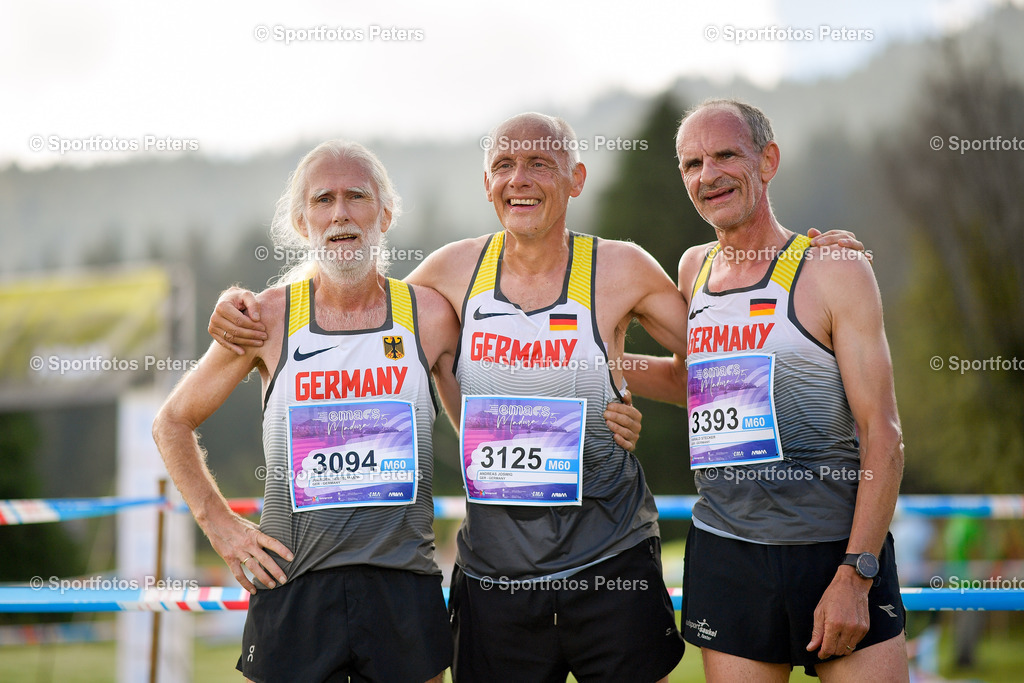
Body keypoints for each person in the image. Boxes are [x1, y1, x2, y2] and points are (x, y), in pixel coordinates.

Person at [210, 113, 861, 682]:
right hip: (497, 580)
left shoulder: (623, 267)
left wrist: (801, 258)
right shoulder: (448, 273)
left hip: (612, 567)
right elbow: (355, 300)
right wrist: (244, 306)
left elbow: (721, 350)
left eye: (540, 163)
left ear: (575, 179)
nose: (520, 178)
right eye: (504, 164)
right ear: (487, 184)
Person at [152, 140, 460, 682]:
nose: (340, 213)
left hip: (401, 586)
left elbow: (495, 405)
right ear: (300, 221)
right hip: (293, 587)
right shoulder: (265, 318)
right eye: (323, 200)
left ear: (385, 214)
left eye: (357, 196)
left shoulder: (430, 315)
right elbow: (171, 421)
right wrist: (219, 524)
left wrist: (609, 401)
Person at [624, 99, 909, 681]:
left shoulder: (833, 269)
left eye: (726, 155)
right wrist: (600, 363)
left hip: (835, 547)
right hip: (727, 550)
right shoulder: (692, 269)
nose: (708, 175)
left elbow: (884, 433)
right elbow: (693, 382)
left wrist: (857, 572)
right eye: (692, 163)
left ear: (769, 160)